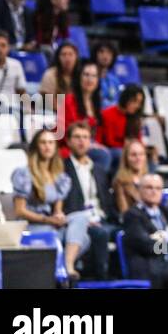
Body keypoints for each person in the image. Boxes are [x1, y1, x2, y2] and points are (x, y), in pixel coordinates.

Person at [10, 129, 91, 284]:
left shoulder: (59, 175)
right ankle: (64, 270)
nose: (47, 146)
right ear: (36, 147)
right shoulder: (24, 174)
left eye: (50, 143)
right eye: (43, 142)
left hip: (51, 224)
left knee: (81, 217)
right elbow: (19, 210)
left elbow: (58, 209)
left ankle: (67, 264)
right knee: (82, 238)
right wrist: (47, 220)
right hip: (33, 225)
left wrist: (59, 216)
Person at [62, 120, 119, 281]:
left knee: (129, 232)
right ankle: (103, 280)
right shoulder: (62, 168)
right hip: (79, 221)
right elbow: (63, 204)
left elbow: (107, 202)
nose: (82, 141)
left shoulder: (99, 170)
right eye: (77, 137)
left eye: (86, 137)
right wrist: (85, 220)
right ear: (68, 141)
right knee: (100, 234)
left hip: (101, 218)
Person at [98, 84, 148, 159]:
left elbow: (138, 140)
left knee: (149, 156)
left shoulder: (135, 118)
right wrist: (127, 145)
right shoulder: (107, 114)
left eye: (139, 103)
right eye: (134, 101)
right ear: (126, 99)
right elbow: (109, 142)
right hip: (109, 150)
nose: (137, 106)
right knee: (123, 154)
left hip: (129, 149)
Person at [112, 138, 150, 217]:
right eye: (133, 155)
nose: (138, 158)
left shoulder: (150, 179)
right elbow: (125, 212)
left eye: (141, 154)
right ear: (126, 158)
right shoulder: (120, 182)